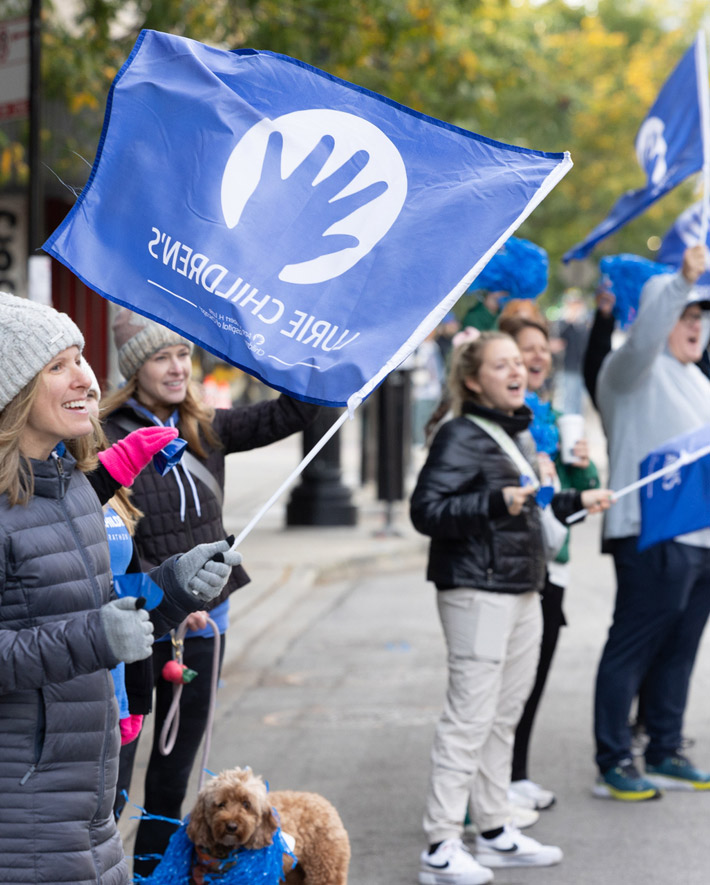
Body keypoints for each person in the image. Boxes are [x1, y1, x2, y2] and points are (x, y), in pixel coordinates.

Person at [0, 291, 242, 885]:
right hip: (23, 810)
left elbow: (96, 615)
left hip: (91, 795)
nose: (84, 377)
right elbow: (84, 634)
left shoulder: (74, 486)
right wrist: (94, 635)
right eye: (56, 366)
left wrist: (171, 593)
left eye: (79, 357)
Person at [102, 308, 320, 876]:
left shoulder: (205, 426)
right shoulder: (105, 436)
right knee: (116, 761)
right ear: (133, 368)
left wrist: (295, 342)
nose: (176, 368)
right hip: (137, 616)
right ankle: (101, 864)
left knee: (176, 765)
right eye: (160, 357)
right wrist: (166, 604)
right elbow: (107, 531)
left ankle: (154, 871)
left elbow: (296, 411)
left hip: (206, 617)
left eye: (183, 355)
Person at [411, 331, 611, 884]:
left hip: (522, 587)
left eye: (519, 363)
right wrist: (496, 501)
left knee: (502, 717)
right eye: (502, 365)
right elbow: (426, 510)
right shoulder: (460, 434)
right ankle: (441, 842)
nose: (517, 371)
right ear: (473, 380)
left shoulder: (512, 432)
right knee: (469, 717)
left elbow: (526, 508)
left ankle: (495, 830)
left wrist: (574, 501)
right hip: (477, 589)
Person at [593, 243, 710, 800]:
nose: (695, 324)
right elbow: (644, 334)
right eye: (687, 314)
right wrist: (682, 280)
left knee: (680, 649)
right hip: (650, 531)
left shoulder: (698, 380)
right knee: (632, 647)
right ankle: (614, 758)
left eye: (701, 316)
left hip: (700, 537)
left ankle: (664, 747)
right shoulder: (629, 369)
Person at [498, 315, 599, 812]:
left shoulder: (555, 417)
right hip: (516, 567)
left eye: (540, 350)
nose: (535, 359)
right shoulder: (504, 422)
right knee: (507, 685)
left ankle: (516, 774)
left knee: (533, 679)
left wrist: (581, 462)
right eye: (522, 352)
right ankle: (496, 789)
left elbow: (577, 504)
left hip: (552, 564)